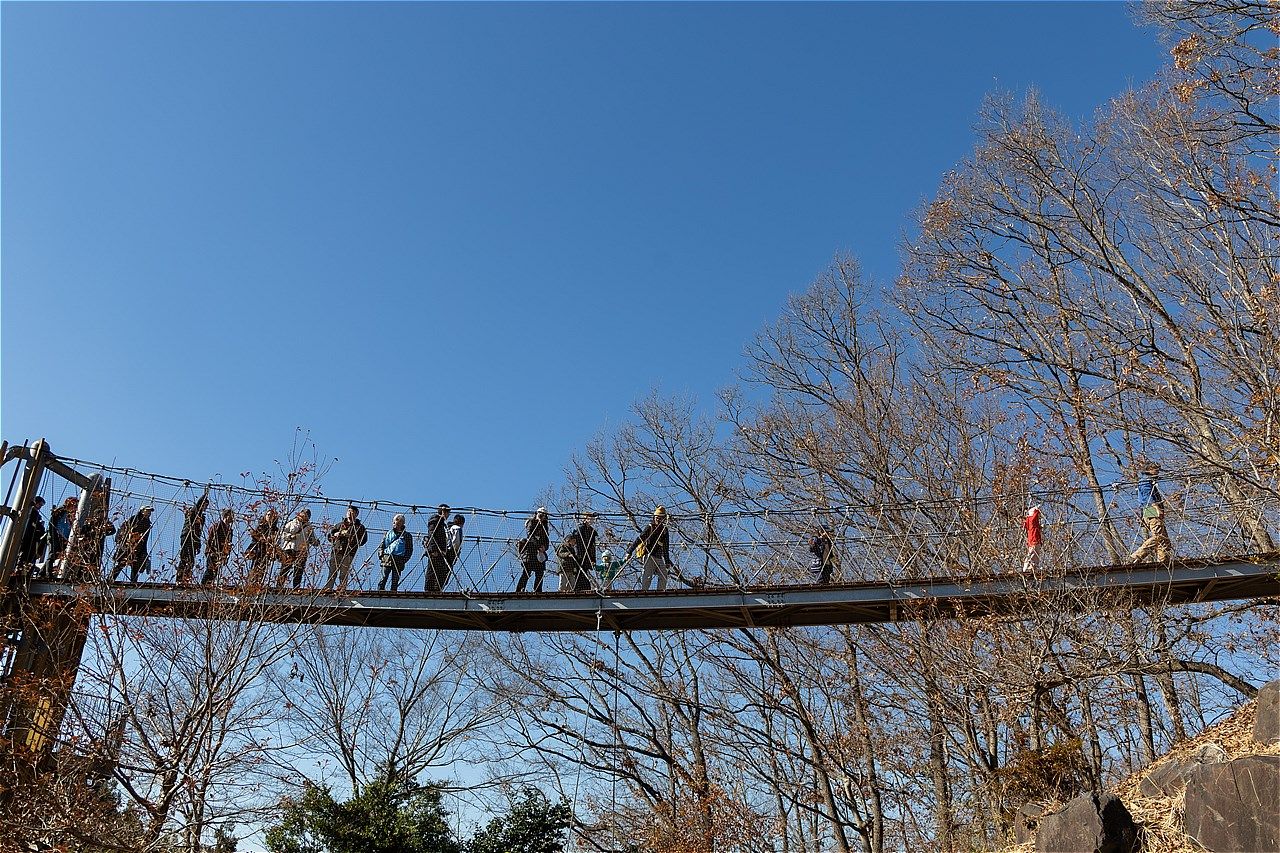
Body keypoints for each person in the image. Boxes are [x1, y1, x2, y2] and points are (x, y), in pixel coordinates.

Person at [1130, 465, 1172, 563]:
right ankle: (1137, 555)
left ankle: (1164, 561)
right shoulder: (1145, 481)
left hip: (1149, 510)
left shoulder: (1149, 480)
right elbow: (1147, 496)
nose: (1157, 471)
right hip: (1151, 509)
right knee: (1159, 536)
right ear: (1149, 470)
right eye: (1155, 469)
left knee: (1164, 540)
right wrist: (1156, 508)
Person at [627, 506, 673, 592]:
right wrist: (629, 551)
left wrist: (667, 561)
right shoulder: (650, 527)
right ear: (654, 517)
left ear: (664, 519)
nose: (658, 520)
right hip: (649, 555)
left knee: (664, 575)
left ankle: (661, 591)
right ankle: (644, 592)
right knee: (647, 576)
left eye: (661, 518)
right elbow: (639, 539)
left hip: (659, 557)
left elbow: (666, 547)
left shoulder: (664, 530)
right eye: (657, 518)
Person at [324, 505, 368, 590]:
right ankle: (328, 588)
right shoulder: (339, 525)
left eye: (352, 512)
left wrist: (353, 539)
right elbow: (330, 537)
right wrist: (335, 535)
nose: (350, 513)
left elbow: (363, 540)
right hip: (336, 551)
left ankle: (342, 589)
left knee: (343, 573)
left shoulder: (359, 527)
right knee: (332, 572)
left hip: (348, 552)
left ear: (356, 514)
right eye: (348, 511)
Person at [277, 508, 321, 588]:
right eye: (304, 514)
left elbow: (312, 538)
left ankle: (296, 587)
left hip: (302, 551)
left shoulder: (309, 527)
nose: (305, 516)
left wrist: (316, 542)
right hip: (290, 548)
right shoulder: (291, 523)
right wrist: (290, 536)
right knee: (285, 568)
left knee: (298, 571)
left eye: (307, 515)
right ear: (300, 514)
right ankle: (279, 586)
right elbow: (282, 533)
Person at [112, 505, 154, 583]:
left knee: (136, 565)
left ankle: (134, 582)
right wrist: (123, 542)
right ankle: (111, 579)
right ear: (142, 511)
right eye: (147, 511)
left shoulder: (147, 524)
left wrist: (144, 551)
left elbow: (145, 540)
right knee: (122, 563)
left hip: (139, 547)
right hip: (128, 545)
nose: (149, 513)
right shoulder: (134, 519)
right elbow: (124, 529)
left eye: (150, 512)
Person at [176, 491, 210, 585]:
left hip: (194, 539)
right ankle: (179, 579)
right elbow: (198, 505)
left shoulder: (202, 518)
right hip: (187, 536)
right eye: (204, 505)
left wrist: (198, 544)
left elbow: (199, 532)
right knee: (184, 558)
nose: (205, 508)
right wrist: (205, 494)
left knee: (191, 560)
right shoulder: (193, 513)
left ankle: (186, 578)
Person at [515, 507, 551, 593]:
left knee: (540, 573)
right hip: (530, 552)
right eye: (541, 515)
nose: (542, 517)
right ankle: (519, 590)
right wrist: (538, 545)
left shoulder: (545, 525)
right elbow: (529, 535)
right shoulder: (531, 522)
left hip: (539, 552)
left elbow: (546, 538)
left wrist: (544, 547)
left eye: (544, 515)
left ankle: (538, 590)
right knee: (526, 572)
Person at [377, 514, 413, 592]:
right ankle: (380, 591)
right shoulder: (388, 533)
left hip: (399, 559)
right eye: (395, 520)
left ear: (402, 523)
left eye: (398, 520)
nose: (395, 522)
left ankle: (393, 592)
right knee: (383, 577)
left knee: (395, 579)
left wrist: (404, 560)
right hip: (387, 557)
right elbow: (382, 545)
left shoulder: (407, 535)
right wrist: (381, 555)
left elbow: (409, 549)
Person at [245, 508, 280, 586]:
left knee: (263, 569)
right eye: (268, 515)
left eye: (272, 515)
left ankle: (258, 584)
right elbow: (254, 539)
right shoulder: (261, 526)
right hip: (258, 550)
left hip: (267, 551)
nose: (270, 517)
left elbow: (277, 542)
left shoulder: (276, 530)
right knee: (255, 567)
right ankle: (251, 583)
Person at [202, 508, 236, 585]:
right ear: (226, 515)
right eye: (232, 515)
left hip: (221, 554)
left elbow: (228, 544)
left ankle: (209, 585)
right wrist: (210, 551)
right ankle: (204, 586)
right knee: (210, 570)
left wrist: (226, 556)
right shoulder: (217, 526)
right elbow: (211, 539)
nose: (233, 518)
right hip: (213, 552)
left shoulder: (230, 531)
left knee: (215, 572)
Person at [424, 504, 452, 592]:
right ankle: (430, 589)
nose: (448, 516)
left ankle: (436, 588)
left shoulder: (441, 523)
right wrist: (433, 549)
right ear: (444, 512)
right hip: (436, 551)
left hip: (439, 551)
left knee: (440, 571)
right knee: (433, 570)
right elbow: (432, 534)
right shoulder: (436, 520)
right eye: (448, 513)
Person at [47, 496, 78, 574]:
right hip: (56, 535)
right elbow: (52, 523)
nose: (74, 507)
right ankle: (47, 573)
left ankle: (54, 571)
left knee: (63, 555)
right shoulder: (60, 511)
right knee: (53, 554)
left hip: (65, 538)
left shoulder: (72, 514)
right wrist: (52, 535)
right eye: (73, 504)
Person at [18, 496, 47, 573]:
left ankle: (23, 569)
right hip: (28, 538)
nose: (40, 507)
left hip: (31, 538)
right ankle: (21, 570)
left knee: (28, 556)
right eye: (39, 505)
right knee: (26, 556)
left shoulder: (34, 514)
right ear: (35, 503)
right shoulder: (32, 513)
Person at [1022, 505, 1043, 572]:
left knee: (1036, 554)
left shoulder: (1031, 521)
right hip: (1034, 539)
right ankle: (1026, 567)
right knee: (1032, 553)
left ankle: (1033, 567)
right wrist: (1036, 510)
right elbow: (1034, 518)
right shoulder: (1031, 519)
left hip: (1035, 540)